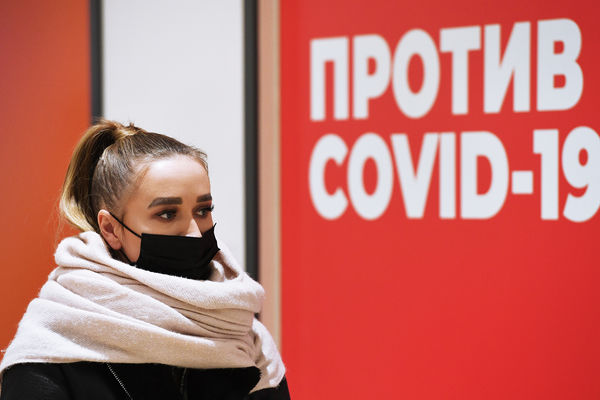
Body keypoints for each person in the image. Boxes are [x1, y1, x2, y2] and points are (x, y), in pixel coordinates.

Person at [0, 120, 290, 399]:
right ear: (111, 229)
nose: (194, 232)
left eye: (203, 210)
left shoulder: (245, 336)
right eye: (167, 214)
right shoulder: (49, 349)